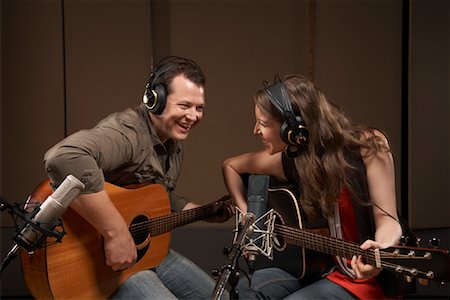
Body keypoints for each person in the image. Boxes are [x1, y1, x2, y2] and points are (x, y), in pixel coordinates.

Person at [44, 56, 232, 299]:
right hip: (99, 261)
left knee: (221, 297)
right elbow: (63, 156)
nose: (193, 116)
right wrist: (115, 233)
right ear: (155, 99)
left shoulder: (173, 139)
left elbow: (153, 197)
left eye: (199, 108)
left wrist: (204, 212)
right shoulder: (127, 133)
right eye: (185, 106)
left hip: (146, 251)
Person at [222, 74, 406, 299]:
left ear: (292, 127)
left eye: (263, 123)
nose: (255, 131)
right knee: (246, 292)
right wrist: (247, 215)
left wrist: (381, 248)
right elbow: (231, 166)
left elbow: (389, 219)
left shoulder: (367, 145)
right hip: (318, 271)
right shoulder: (294, 159)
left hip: (363, 280)